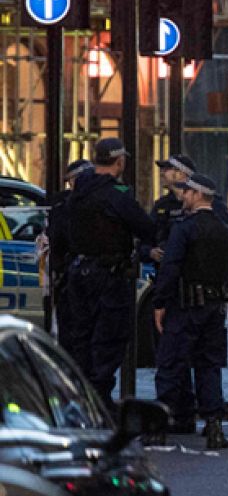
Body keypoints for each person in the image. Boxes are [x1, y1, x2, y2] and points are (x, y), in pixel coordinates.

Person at [149, 173, 228, 450]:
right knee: (209, 367)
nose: (184, 197)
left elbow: (171, 267)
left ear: (197, 195)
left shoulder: (185, 228)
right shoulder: (223, 227)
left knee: (170, 364)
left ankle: (159, 427)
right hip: (215, 308)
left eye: (187, 192)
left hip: (185, 306)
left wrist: (160, 302)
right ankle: (214, 426)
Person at [61, 138, 157, 401]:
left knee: (82, 339)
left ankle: (83, 401)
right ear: (120, 161)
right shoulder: (116, 195)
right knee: (109, 341)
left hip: (78, 273)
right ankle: (99, 403)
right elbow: (146, 228)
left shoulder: (78, 193)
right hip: (108, 277)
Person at [42, 159, 94, 336]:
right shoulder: (61, 202)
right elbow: (53, 235)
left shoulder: (94, 200)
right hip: (68, 272)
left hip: (84, 270)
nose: (71, 184)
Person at [146, 154, 198, 263]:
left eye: (166, 170)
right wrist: (150, 252)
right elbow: (146, 235)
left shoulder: (201, 200)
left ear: (180, 173)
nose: (161, 174)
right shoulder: (161, 205)